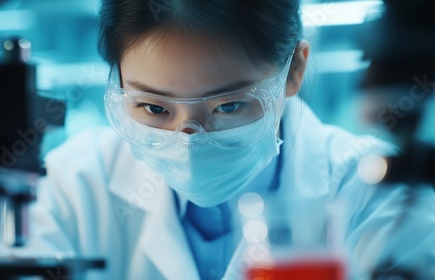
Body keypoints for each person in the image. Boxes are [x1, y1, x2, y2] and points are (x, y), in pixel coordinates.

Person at [22, 0, 435, 279]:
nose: (189, 142)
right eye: (153, 108)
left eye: (228, 107)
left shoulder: (375, 196)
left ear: (293, 71)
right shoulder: (76, 184)